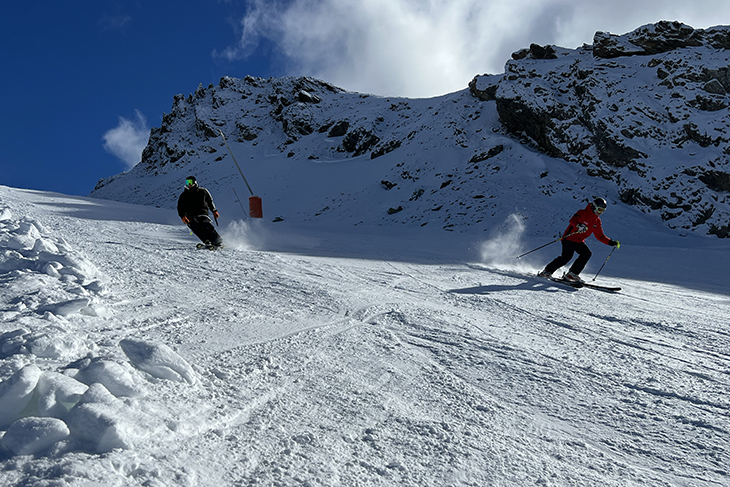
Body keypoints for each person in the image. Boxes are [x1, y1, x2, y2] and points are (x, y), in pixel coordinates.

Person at [538, 197, 620, 283]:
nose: (600, 212)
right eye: (599, 209)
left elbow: (600, 236)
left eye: (603, 211)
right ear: (594, 206)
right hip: (569, 238)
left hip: (579, 241)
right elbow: (573, 220)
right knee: (567, 257)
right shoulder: (583, 213)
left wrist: (610, 242)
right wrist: (579, 225)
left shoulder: (597, 221)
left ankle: (572, 273)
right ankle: (547, 271)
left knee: (586, 254)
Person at [177, 176, 223, 248]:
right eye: (187, 182)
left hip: (202, 213)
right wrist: (183, 216)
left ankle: (217, 240)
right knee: (194, 225)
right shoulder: (184, 195)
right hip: (191, 215)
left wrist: (214, 211)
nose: (189, 184)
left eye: (191, 182)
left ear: (195, 182)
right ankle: (206, 241)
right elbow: (180, 207)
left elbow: (210, 202)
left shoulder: (203, 191)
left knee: (205, 224)